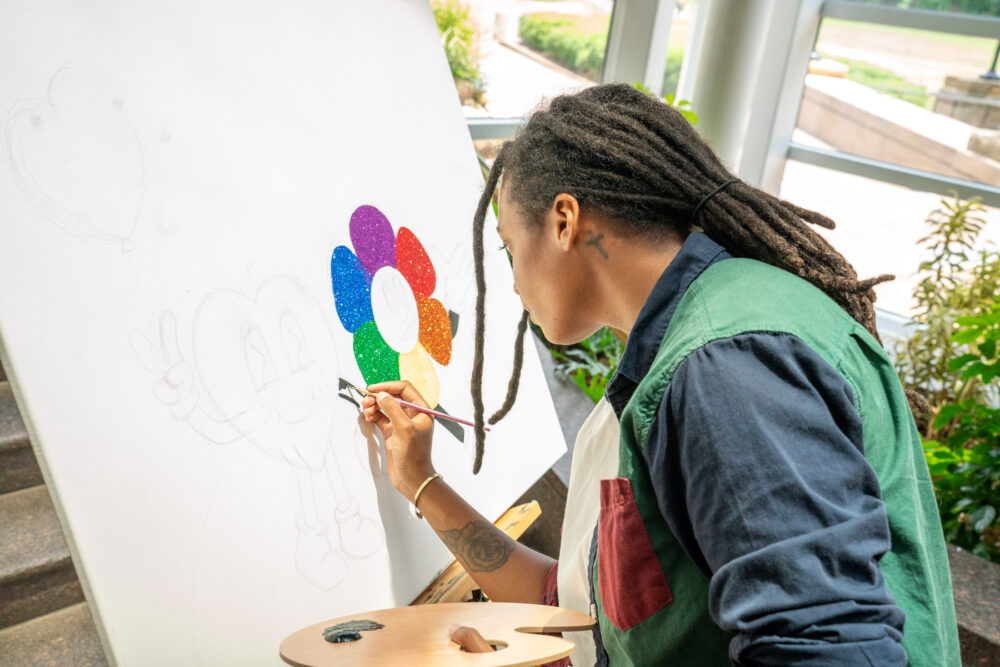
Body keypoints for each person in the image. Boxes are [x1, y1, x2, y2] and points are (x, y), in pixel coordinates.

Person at [361, 83, 960, 665]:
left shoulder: (724, 367)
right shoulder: (699, 334)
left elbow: (827, 648)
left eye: (508, 247)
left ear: (564, 222)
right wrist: (421, 480)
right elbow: (571, 603)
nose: (513, 280)